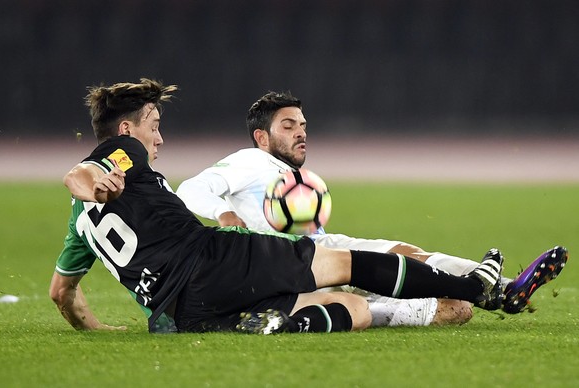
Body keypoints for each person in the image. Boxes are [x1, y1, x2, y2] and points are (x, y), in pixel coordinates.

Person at [49, 79, 506, 335]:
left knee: (355, 311)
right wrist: (98, 185)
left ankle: (275, 324)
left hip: (180, 312)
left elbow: (61, 295)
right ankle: (477, 290)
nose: (159, 137)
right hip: (215, 259)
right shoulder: (123, 151)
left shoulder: (78, 225)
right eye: (155, 124)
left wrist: (99, 332)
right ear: (127, 128)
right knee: (349, 264)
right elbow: (79, 175)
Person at [176, 91, 568, 326]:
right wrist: (224, 215)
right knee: (455, 311)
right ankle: (484, 293)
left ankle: (503, 290)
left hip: (321, 250)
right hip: (286, 266)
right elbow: (191, 188)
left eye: (304, 125)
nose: (301, 132)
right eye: (289, 125)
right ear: (261, 137)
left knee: (405, 253)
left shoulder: (292, 174)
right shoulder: (249, 160)